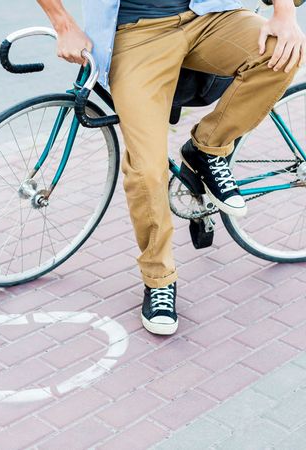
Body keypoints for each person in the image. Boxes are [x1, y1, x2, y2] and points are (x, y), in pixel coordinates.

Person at [36, 0, 305, 335]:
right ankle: (159, 278)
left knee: (282, 50)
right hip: (137, 33)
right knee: (147, 170)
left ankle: (206, 149)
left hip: (209, 15)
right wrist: (63, 24)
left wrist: (284, 13)